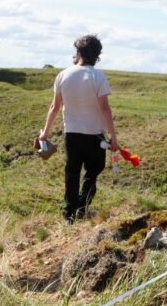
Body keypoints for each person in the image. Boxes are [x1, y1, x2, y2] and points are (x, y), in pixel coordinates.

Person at [35, 34, 119, 223]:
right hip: (94, 135)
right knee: (94, 169)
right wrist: (113, 137)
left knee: (72, 171)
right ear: (96, 56)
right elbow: (104, 108)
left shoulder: (63, 75)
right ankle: (83, 204)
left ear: (78, 52)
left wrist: (45, 134)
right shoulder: (98, 77)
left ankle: (69, 213)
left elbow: (54, 107)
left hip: (71, 134)